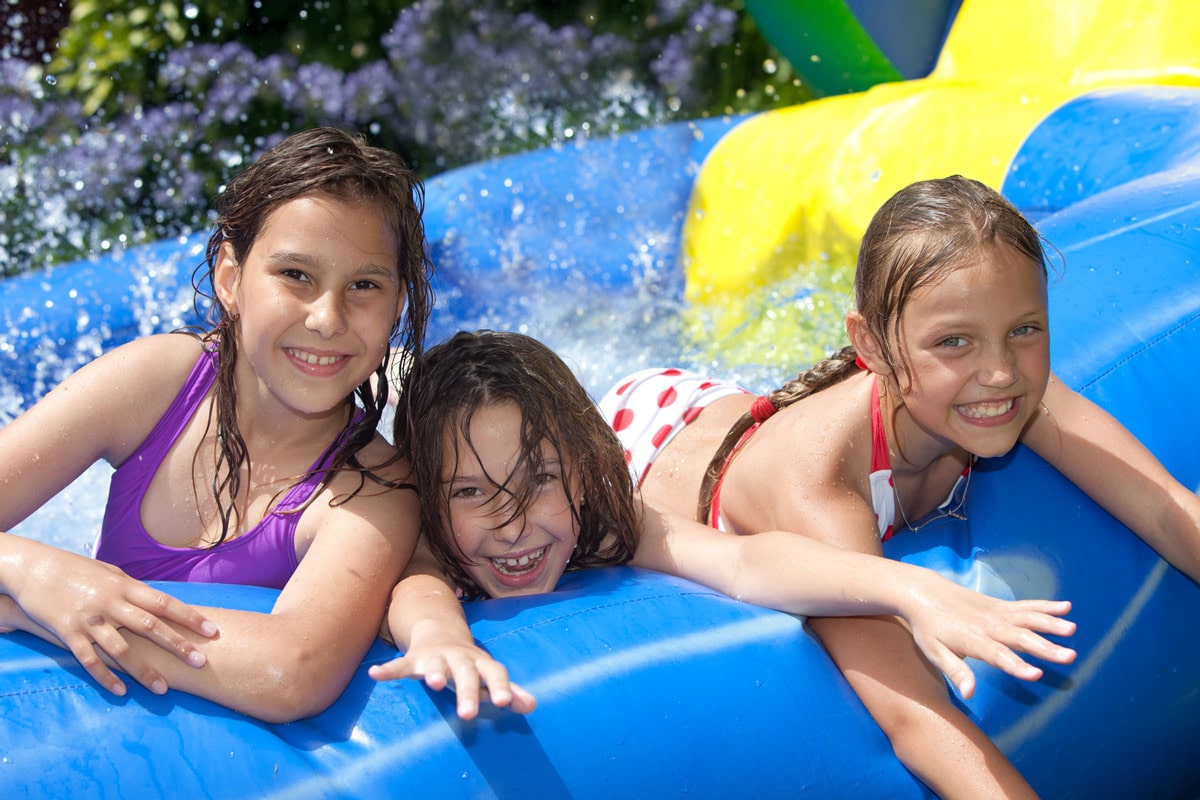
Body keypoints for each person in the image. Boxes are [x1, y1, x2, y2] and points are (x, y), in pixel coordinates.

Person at [596, 175, 1200, 798]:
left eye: (1025, 329)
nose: (999, 371)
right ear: (872, 346)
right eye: (953, 342)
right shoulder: (820, 485)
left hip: (729, 409)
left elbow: (1166, 509)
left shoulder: (1010, 386)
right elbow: (914, 715)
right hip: (645, 447)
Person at [370, 328, 1077, 728]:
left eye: (541, 482)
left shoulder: (604, 517)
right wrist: (440, 639)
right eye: (470, 493)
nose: (512, 523)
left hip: (654, 415)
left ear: (581, 472)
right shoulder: (430, 529)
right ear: (434, 500)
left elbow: (745, 564)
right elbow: (417, 587)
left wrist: (907, 589)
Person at [0, 127, 433, 723]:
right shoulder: (158, 383)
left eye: (364, 286)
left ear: (397, 305)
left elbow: (293, 669)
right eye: (295, 275)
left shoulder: (372, 488)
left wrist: (27, 612)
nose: (327, 318)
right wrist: (36, 573)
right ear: (231, 278)